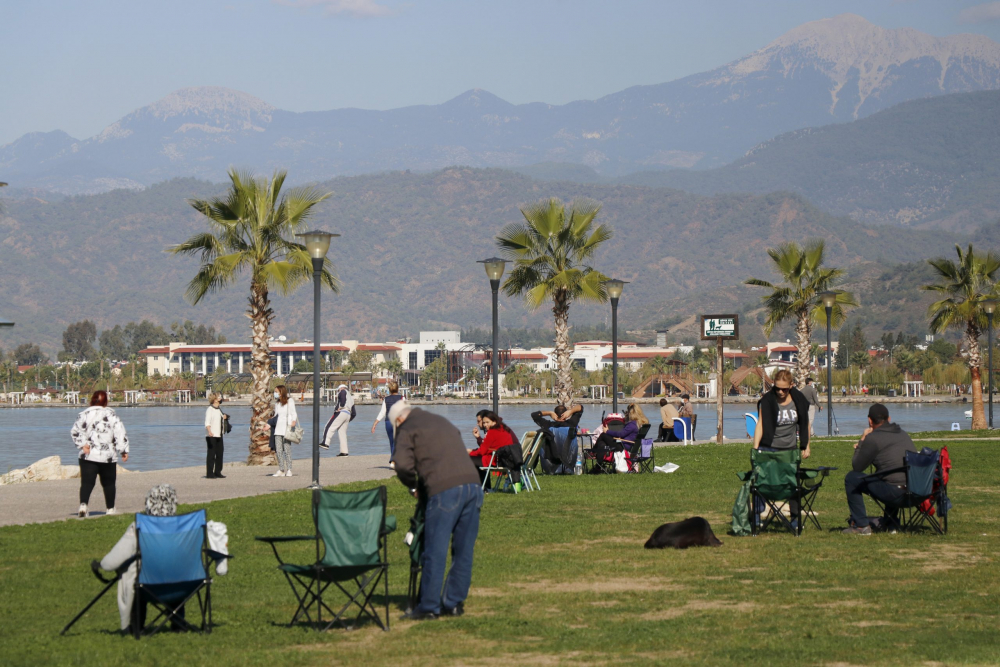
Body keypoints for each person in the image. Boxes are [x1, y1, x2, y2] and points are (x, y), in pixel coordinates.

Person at [390, 400, 483, 620]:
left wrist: (413, 486)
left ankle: (429, 606)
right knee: (463, 550)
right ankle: (453, 604)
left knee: (435, 549)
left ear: (399, 419)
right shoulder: (441, 420)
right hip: (473, 486)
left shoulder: (407, 427)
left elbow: (401, 464)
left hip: (445, 490)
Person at [98, 484, 229, 632]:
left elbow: (110, 564)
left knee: (137, 572)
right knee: (174, 569)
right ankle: (178, 623)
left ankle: (136, 625)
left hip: (148, 587)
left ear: (148, 504)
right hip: (188, 584)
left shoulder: (139, 527)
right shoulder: (188, 527)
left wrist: (99, 566)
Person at [842, 404, 917, 535]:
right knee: (891, 474)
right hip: (915, 491)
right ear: (889, 418)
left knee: (852, 478)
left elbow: (857, 466)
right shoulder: (902, 433)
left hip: (895, 494)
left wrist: (862, 440)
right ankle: (891, 522)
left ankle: (861, 526)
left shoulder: (873, 438)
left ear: (870, 421)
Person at [752, 369, 810, 524]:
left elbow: (805, 423)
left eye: (784, 389)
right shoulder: (767, 400)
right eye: (777, 388)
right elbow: (761, 424)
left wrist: (806, 445)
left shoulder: (798, 400)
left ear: (791, 385)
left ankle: (796, 519)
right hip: (769, 447)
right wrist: (756, 449)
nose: (780, 392)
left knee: (792, 483)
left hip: (789, 449)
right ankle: (756, 516)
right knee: (761, 480)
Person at [71, 390, 129, 518]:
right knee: (109, 483)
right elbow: (120, 434)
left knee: (87, 482)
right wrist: (123, 450)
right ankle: (110, 508)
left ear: (92, 400)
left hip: (88, 455)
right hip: (107, 456)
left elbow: (75, 431)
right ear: (106, 401)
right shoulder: (112, 416)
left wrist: (83, 444)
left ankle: (83, 505)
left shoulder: (84, 415)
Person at [467, 411, 516, 485]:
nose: (485, 425)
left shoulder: (492, 432)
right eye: (484, 423)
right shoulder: (503, 429)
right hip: (505, 459)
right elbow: (488, 447)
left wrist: (471, 452)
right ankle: (485, 487)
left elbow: (482, 451)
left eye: (487, 422)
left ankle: (483, 486)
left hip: (496, 460)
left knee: (468, 459)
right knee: (475, 460)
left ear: (494, 422)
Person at [372, 381, 405, 468]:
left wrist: (375, 423)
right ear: (398, 388)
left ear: (389, 390)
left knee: (392, 442)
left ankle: (394, 461)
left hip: (388, 422)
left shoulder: (386, 399)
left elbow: (382, 413)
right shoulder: (402, 398)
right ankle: (396, 461)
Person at [271, 385, 298, 477]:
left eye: (276, 391)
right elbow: (276, 415)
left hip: (287, 428)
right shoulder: (277, 403)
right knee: (278, 450)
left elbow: (293, 412)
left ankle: (289, 469)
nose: (275, 393)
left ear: (281, 392)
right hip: (278, 429)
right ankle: (281, 469)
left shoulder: (289, 401)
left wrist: (293, 421)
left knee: (287, 449)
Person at [322, 383, 354, 456]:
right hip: (348, 414)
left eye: (338, 390)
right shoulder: (351, 398)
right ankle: (344, 451)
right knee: (342, 433)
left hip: (342, 412)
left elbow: (342, 398)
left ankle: (325, 443)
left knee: (329, 426)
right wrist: (348, 419)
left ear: (340, 388)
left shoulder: (343, 391)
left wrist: (341, 407)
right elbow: (354, 413)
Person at [204, 393, 228, 479]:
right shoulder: (210, 410)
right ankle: (209, 473)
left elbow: (220, 420)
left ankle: (218, 472)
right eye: (219, 397)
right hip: (211, 435)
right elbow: (207, 422)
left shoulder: (219, 410)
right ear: (215, 400)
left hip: (219, 435)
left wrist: (224, 417)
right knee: (211, 454)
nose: (221, 398)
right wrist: (209, 431)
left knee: (220, 454)